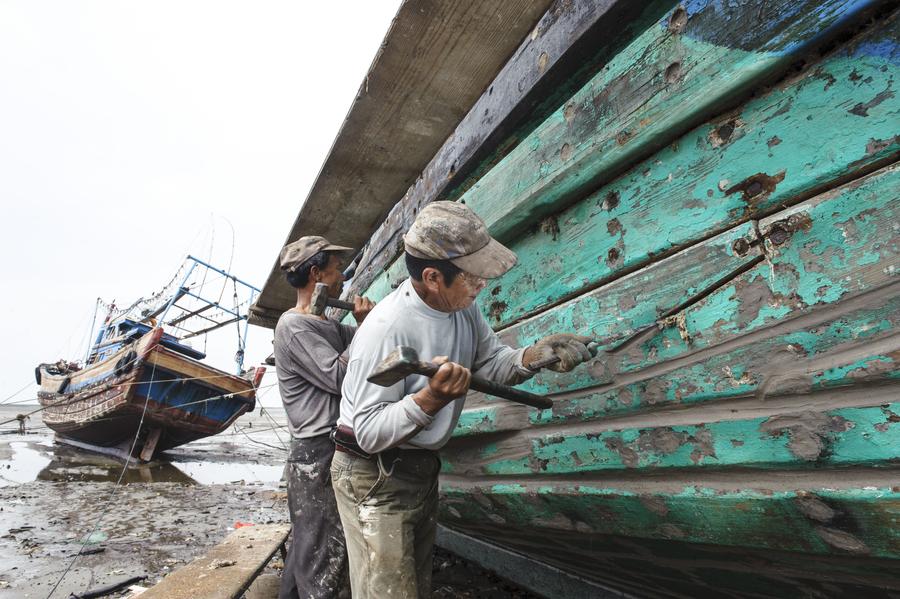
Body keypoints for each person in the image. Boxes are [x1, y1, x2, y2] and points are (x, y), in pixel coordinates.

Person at [330, 202, 592, 598]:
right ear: (433, 277)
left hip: (418, 466)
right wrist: (431, 398)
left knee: (414, 586)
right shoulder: (386, 329)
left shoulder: (461, 307)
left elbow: (490, 361)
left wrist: (533, 356)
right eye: (472, 277)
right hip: (372, 474)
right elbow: (367, 432)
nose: (481, 284)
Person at [274, 235, 375, 599]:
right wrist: (363, 329)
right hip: (315, 452)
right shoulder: (294, 326)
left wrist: (372, 324)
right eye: (336, 270)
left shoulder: (327, 325)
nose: (343, 278)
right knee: (322, 552)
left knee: (309, 543)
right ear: (316, 273)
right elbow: (339, 374)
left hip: (326, 447)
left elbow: (366, 344)